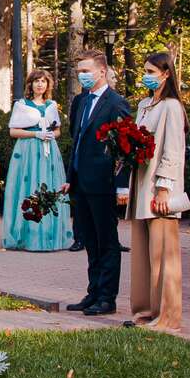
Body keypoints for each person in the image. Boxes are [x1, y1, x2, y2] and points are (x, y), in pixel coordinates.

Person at [62, 50, 131, 316]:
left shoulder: (116, 103)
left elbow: (125, 147)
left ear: (102, 71)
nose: (82, 75)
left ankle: (107, 297)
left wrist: (121, 186)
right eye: (79, 71)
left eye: (87, 71)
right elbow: (76, 141)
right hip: (81, 182)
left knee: (107, 241)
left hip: (103, 183)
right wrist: (70, 178)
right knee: (89, 239)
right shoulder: (80, 101)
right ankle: (93, 293)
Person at [123, 52, 189, 331]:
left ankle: (167, 316)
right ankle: (145, 310)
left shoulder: (172, 106)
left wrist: (164, 188)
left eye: (151, 71)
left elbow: (173, 148)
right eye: (145, 71)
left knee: (163, 256)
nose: (146, 76)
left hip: (158, 187)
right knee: (143, 255)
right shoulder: (144, 105)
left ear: (166, 74)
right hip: (140, 182)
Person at [3, 70, 71, 251]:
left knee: (49, 187)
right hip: (28, 151)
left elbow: (58, 130)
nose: (40, 84)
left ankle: (48, 234)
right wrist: (35, 134)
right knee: (29, 186)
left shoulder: (51, 105)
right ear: (30, 84)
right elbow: (13, 131)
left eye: (43, 81)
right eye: (36, 81)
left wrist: (50, 134)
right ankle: (27, 234)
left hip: (49, 151)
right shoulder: (22, 105)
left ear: (48, 85)